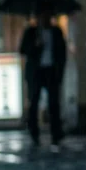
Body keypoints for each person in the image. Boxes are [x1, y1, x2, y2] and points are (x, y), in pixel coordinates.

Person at [20, 10, 67, 147]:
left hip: (51, 70)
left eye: (47, 16)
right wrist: (36, 45)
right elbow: (23, 49)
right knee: (34, 101)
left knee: (54, 102)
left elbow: (61, 52)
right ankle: (34, 132)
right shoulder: (31, 32)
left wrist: (60, 71)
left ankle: (56, 133)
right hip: (36, 71)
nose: (44, 19)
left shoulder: (56, 32)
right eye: (42, 16)